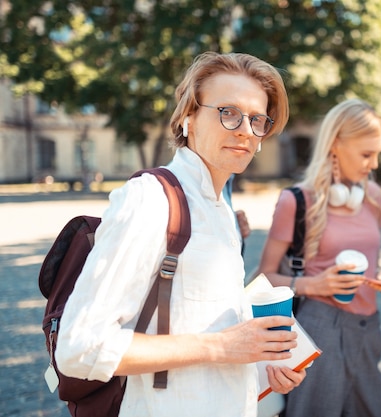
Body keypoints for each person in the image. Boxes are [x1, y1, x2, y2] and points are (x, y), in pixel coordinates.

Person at [55, 52, 305, 417]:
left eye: (257, 120)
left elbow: (207, 333)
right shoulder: (151, 199)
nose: (244, 130)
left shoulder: (222, 213)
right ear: (188, 117)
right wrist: (221, 347)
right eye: (228, 112)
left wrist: (261, 364)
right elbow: (80, 348)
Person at [255, 98, 381, 417]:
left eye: (377, 153)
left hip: (368, 327)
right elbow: (262, 278)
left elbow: (368, 260)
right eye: (366, 154)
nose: (374, 164)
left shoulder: (373, 197)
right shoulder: (296, 201)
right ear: (335, 145)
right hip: (320, 328)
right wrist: (314, 284)